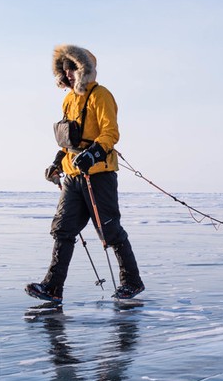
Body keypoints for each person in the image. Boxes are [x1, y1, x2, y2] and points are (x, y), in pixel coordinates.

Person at [26, 44, 144, 304]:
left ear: (84, 70)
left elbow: (110, 133)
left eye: (73, 69)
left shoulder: (101, 95)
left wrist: (92, 154)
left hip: (99, 174)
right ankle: (52, 287)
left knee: (109, 230)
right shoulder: (68, 99)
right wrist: (58, 161)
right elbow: (69, 139)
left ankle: (132, 282)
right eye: (65, 70)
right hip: (72, 175)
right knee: (62, 230)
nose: (68, 75)